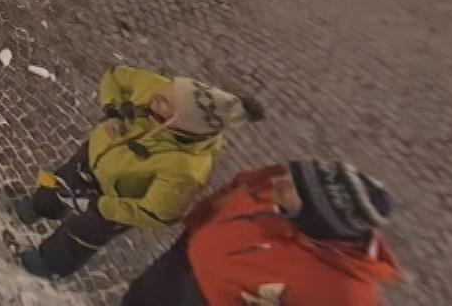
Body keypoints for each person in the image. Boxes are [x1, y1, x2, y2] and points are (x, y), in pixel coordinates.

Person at [15, 65, 265, 281]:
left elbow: (158, 213)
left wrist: (103, 206)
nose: (152, 98)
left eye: (162, 104)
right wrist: (112, 112)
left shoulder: (188, 169)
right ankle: (40, 208)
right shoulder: (161, 89)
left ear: (181, 124)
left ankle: (50, 263)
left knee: (82, 233)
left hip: (117, 202)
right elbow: (116, 76)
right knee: (58, 183)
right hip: (92, 159)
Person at [122, 161, 399, 306]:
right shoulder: (274, 184)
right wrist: (195, 227)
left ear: (316, 218)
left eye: (291, 187)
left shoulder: (347, 294)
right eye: (291, 175)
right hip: (174, 270)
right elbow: (236, 188)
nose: (277, 180)